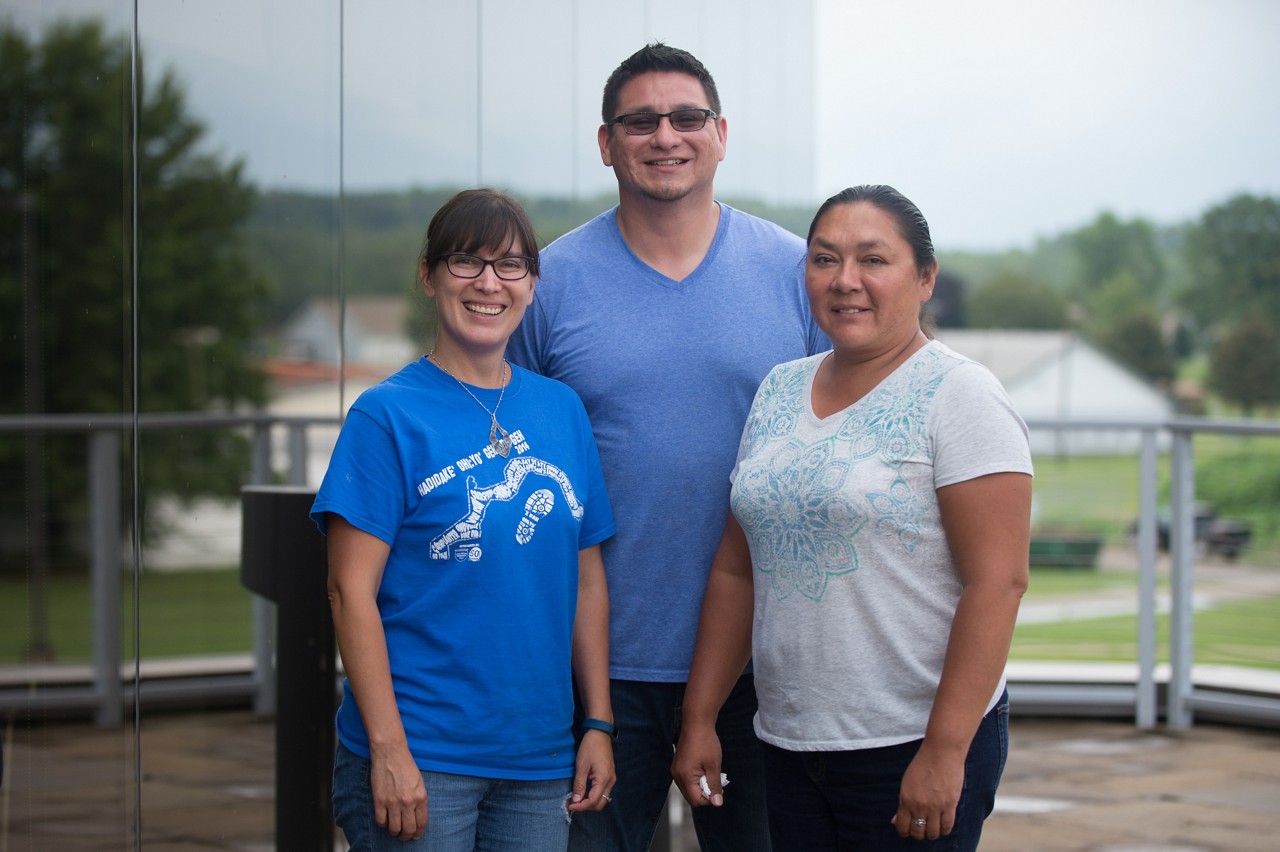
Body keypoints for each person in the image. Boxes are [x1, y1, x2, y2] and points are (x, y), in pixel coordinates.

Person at [507, 43, 828, 852]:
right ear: (607, 142)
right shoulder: (549, 284)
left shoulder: (798, 273)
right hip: (598, 669)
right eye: (639, 120)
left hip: (766, 663)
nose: (665, 135)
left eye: (686, 117)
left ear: (720, 133)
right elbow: (509, 460)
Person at [671, 185, 1034, 851]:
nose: (846, 282)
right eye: (824, 259)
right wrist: (700, 717)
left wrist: (945, 752)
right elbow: (736, 569)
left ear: (925, 278)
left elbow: (999, 583)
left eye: (874, 260)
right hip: (786, 741)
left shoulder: (962, 395)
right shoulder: (779, 389)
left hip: (908, 745)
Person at [311, 188, 617, 851]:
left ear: (532, 285)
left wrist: (598, 721)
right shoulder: (386, 416)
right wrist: (389, 752)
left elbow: (586, 580)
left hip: (538, 760)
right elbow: (348, 591)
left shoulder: (561, 410)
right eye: (465, 262)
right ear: (428, 275)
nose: (488, 283)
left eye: (510, 265)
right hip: (422, 754)